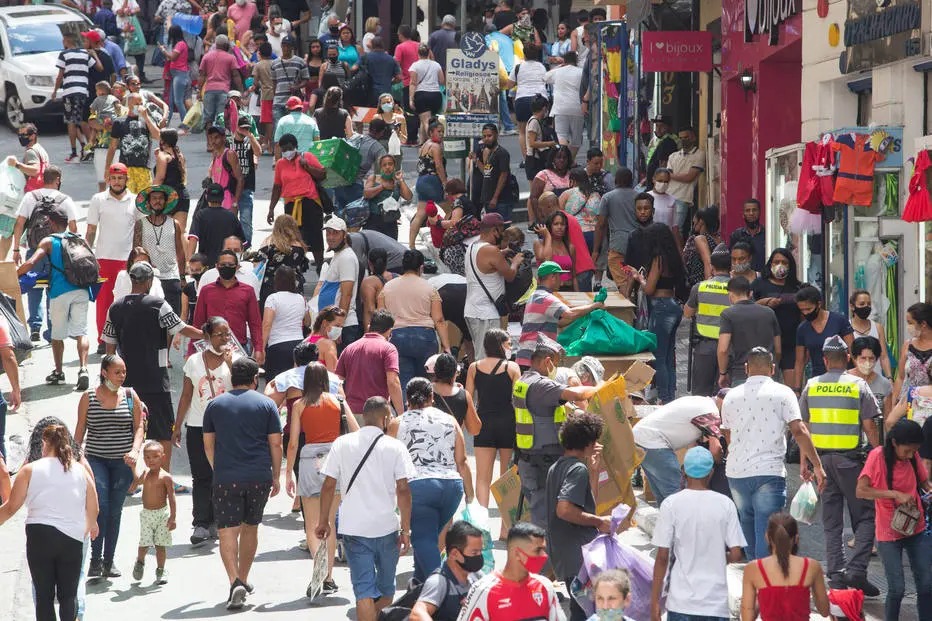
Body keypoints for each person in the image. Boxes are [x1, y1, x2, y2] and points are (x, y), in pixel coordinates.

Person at [316, 396, 415, 621]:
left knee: (365, 593)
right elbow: (404, 490)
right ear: (386, 417)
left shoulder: (343, 443)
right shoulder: (395, 447)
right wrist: (406, 530)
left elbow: (329, 485)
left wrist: (324, 521)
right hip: (387, 528)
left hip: (354, 529)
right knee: (386, 592)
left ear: (364, 416)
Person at [721, 347, 825, 560]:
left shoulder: (731, 396)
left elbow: (728, 435)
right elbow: (799, 430)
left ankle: (753, 576)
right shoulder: (783, 393)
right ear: (773, 369)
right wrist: (816, 464)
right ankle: (763, 582)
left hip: (736, 472)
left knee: (747, 524)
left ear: (747, 368)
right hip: (769, 472)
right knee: (767, 529)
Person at [798, 334, 880, 594]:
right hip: (851, 463)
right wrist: (879, 457)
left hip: (821, 463)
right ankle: (857, 571)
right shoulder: (858, 385)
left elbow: (803, 429)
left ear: (823, 359)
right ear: (847, 358)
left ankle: (836, 573)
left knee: (831, 522)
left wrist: (806, 464)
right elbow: (870, 425)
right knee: (867, 516)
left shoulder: (811, 385)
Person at [103, 261, 204, 471]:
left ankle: (132, 480)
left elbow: (109, 345)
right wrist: (208, 336)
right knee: (163, 430)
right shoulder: (158, 305)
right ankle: (162, 476)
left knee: (130, 428)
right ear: (149, 281)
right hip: (156, 380)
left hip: (127, 381)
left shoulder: (116, 307)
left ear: (132, 280)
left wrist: (108, 379)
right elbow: (180, 328)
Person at [203, 357, 282, 609]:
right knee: (251, 528)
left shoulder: (215, 405)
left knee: (227, 531)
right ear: (254, 379)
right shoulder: (267, 405)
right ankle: (244, 578)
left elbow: (208, 444)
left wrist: (219, 468)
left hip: (226, 477)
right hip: (258, 476)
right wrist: (276, 474)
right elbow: (276, 443)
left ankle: (234, 580)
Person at [0, 424, 98, 621]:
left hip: (40, 536)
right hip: (71, 538)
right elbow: (94, 508)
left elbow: (11, 508)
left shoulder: (29, 470)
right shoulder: (80, 470)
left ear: (45, 442)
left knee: (44, 597)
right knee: (68, 596)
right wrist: (81, 532)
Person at [285, 362, 360, 597]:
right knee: (329, 521)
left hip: (309, 460)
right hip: (335, 460)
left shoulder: (299, 405)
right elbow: (356, 430)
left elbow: (294, 442)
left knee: (311, 523)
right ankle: (328, 577)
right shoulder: (338, 401)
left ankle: (317, 570)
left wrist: (288, 471)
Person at [388, 378, 474, 583]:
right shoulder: (449, 420)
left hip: (418, 487)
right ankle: (420, 584)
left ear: (407, 399)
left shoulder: (398, 423)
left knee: (423, 539)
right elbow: (461, 461)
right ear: (432, 397)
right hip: (451, 488)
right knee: (432, 537)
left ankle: (446, 586)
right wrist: (470, 496)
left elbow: (387, 459)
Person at [513, 336, 602, 528]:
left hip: (530, 459)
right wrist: (602, 387)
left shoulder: (524, 381)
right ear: (547, 361)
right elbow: (578, 394)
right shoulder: (541, 385)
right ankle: (546, 556)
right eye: (556, 362)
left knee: (543, 513)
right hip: (542, 462)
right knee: (545, 522)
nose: (557, 367)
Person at [650, 446, 746, 621]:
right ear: (710, 472)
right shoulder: (726, 504)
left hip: (680, 602)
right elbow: (737, 554)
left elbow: (662, 557)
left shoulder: (671, 504)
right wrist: (719, 557)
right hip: (715, 604)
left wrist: (655, 603)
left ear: (685, 471)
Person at [74, 353, 144, 580]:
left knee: (115, 511)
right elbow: (80, 430)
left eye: (124, 371)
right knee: (101, 506)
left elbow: (139, 427)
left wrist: (135, 450)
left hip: (123, 463)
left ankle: (108, 560)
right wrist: (74, 458)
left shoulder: (131, 396)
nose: (122, 376)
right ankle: (95, 559)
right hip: (96, 460)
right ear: (104, 372)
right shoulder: (88, 397)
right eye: (117, 372)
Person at [856, 419, 931, 619]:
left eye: (914, 450)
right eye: (907, 450)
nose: (909, 455)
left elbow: (924, 483)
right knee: (897, 588)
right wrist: (895, 494)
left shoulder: (913, 456)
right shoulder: (877, 457)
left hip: (917, 526)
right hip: (889, 531)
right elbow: (861, 491)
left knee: (926, 584)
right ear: (895, 443)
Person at [173, 317, 235, 545]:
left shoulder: (236, 359)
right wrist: (177, 425)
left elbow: (245, 387)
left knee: (222, 475)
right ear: (207, 336)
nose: (225, 338)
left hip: (226, 428)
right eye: (220, 334)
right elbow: (187, 395)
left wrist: (230, 364)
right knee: (201, 476)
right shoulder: (193, 361)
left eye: (227, 334)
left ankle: (218, 520)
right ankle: (200, 523)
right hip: (198, 425)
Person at [545, 411, 612, 621]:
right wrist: (599, 521)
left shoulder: (559, 467)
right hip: (577, 556)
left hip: (565, 553)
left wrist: (593, 471)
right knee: (583, 611)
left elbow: (585, 502)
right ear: (589, 442)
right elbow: (564, 509)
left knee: (583, 608)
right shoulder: (576, 470)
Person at [15, 208, 92, 388]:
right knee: (82, 332)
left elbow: (31, 262)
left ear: (51, 223)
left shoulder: (49, 241)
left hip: (59, 292)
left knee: (57, 336)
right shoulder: (78, 239)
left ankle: (59, 373)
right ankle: (84, 369)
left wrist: (13, 275)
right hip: (81, 290)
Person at [11, 166, 78, 341]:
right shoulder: (65, 200)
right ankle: (52, 328)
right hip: (57, 251)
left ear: (43, 178)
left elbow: (19, 223)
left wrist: (16, 248)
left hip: (35, 250)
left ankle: (35, 326)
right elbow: (73, 228)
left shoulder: (30, 197)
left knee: (33, 287)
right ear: (57, 179)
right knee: (53, 289)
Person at [457, 522, 564, 621]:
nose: (544, 556)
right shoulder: (483, 590)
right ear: (517, 553)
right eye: (538, 550)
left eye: (543, 549)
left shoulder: (545, 586)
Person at [631, 394, 724, 507]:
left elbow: (692, 445)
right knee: (677, 494)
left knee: (663, 496)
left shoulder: (699, 401)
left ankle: (667, 521)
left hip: (641, 439)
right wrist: (721, 465)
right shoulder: (711, 413)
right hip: (654, 442)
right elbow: (716, 450)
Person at [86, 163, 139, 353]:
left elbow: (140, 229)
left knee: (127, 300)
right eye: (114, 178)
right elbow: (91, 229)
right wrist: (87, 254)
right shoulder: (98, 199)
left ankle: (126, 337)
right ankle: (103, 340)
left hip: (128, 259)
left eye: (121, 178)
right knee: (104, 301)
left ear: (126, 179)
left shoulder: (135, 200)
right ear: (108, 179)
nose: (117, 182)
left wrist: (140, 256)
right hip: (103, 258)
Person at [376, 249, 448, 390]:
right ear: (421, 267)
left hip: (396, 337)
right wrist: (446, 346)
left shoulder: (388, 287)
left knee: (402, 383)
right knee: (425, 383)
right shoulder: (429, 288)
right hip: (425, 337)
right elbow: (438, 319)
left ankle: (404, 409)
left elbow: (381, 316)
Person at [740, 513, 831, 621]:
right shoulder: (811, 566)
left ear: (767, 537)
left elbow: (747, 617)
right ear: (796, 538)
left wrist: (762, 599)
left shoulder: (753, 568)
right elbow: (824, 611)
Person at [467, 329, 520, 508]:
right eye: (508, 344)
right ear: (499, 345)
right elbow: (518, 399)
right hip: (508, 423)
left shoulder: (474, 367)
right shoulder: (512, 367)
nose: (510, 347)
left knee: (482, 477)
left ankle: (482, 525)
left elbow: (468, 397)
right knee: (506, 478)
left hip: (483, 424)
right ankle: (505, 528)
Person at [515, 261, 602, 368]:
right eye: (559, 276)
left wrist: (584, 314)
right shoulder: (546, 298)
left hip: (528, 357)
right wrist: (594, 306)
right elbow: (570, 314)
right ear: (552, 277)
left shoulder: (535, 295)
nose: (562, 281)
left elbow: (560, 322)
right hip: (534, 358)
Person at [637, 222, 687, 403]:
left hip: (661, 307)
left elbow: (649, 289)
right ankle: (670, 396)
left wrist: (639, 278)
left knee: (658, 355)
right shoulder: (673, 257)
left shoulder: (658, 259)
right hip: (673, 305)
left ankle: (664, 398)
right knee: (669, 355)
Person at [465, 213, 523, 359]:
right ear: (494, 230)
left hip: (473, 310)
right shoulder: (491, 250)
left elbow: (486, 263)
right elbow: (510, 276)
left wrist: (502, 253)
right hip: (486, 314)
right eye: (502, 229)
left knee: (482, 354)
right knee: (488, 358)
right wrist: (515, 262)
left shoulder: (473, 246)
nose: (503, 234)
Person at [267, 133, 327, 270]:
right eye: (283, 150)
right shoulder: (280, 164)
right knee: (292, 238)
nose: (286, 152)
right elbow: (277, 187)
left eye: (288, 148)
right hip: (291, 205)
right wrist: (271, 209)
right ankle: (296, 268)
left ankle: (320, 267)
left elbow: (322, 174)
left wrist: (307, 167)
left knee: (315, 236)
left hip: (310, 203)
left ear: (295, 146)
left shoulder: (307, 157)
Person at [193, 250, 264, 364]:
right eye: (223, 265)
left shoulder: (248, 291)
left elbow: (255, 323)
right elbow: (198, 322)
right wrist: (192, 351)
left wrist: (259, 348)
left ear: (236, 267)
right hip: (211, 348)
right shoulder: (206, 291)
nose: (227, 267)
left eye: (230, 265)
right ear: (217, 267)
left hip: (240, 348)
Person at [409, 520, 485, 621]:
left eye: (481, 551)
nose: (479, 557)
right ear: (454, 553)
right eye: (474, 553)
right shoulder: (438, 582)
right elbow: (417, 613)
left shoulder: (476, 576)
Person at [682, 245, 732, 397]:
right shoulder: (737, 288)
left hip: (704, 347)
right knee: (724, 394)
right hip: (730, 347)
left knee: (701, 395)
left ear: (712, 267)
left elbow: (687, 313)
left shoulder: (700, 287)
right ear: (730, 266)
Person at [336, 309, 404, 416]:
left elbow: (337, 381)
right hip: (378, 414)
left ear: (369, 326)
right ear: (390, 331)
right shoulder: (388, 349)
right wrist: (401, 414)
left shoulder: (349, 348)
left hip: (352, 414)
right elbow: (393, 382)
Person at [751, 248, 802, 389]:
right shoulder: (759, 284)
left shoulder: (797, 287)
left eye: (784, 262)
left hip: (791, 343)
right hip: (766, 342)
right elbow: (748, 306)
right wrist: (765, 302)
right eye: (776, 262)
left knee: (792, 388)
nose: (780, 265)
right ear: (770, 264)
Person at [717, 276, 780, 388]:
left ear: (730, 295)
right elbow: (778, 349)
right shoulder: (769, 313)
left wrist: (723, 373)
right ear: (750, 293)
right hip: (768, 373)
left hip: (741, 373)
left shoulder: (728, 314)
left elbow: (723, 349)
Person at [133, 185, 185, 316]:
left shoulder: (174, 224)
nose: (158, 201)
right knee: (150, 318)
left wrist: (182, 276)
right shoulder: (141, 224)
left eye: (161, 198)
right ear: (149, 202)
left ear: (166, 201)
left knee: (173, 317)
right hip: (149, 277)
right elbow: (136, 251)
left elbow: (180, 251)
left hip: (171, 276)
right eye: (154, 198)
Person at [129, 441, 176, 584]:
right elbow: (136, 482)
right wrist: (132, 467)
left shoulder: (166, 477)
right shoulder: (146, 473)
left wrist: (173, 517)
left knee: (160, 545)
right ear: (144, 460)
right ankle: (140, 562)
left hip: (162, 515)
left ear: (163, 457)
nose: (151, 460)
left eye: (155, 456)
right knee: (144, 543)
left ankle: (161, 570)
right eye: (147, 458)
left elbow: (172, 498)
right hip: (147, 515)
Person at [792, 286, 854, 392]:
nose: (806, 313)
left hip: (842, 379)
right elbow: (800, 361)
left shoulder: (839, 321)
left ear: (819, 304)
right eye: (802, 310)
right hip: (818, 380)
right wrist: (797, 389)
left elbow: (853, 351)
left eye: (809, 309)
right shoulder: (803, 329)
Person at [52, 32, 101, 163]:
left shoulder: (64, 54)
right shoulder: (85, 54)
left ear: (67, 40)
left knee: (71, 122)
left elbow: (60, 76)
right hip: (83, 92)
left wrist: (55, 91)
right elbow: (98, 67)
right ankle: (87, 147)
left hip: (69, 92)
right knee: (79, 119)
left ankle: (75, 152)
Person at [315, 217, 361, 345]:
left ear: (344, 235)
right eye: (328, 233)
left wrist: (337, 328)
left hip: (343, 327)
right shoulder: (339, 255)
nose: (330, 237)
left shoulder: (346, 258)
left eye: (335, 233)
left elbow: (346, 294)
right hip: (333, 325)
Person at [591, 169, 639, 289]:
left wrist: (596, 250)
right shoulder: (639, 196)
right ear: (631, 180)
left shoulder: (608, 197)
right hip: (638, 242)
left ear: (616, 180)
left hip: (618, 245)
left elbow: (601, 225)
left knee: (622, 281)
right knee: (634, 277)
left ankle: (627, 303)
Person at [107, 93, 161, 193]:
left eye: (141, 103)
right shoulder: (119, 122)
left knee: (144, 201)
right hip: (126, 168)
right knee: (126, 198)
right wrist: (107, 169)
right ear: (129, 104)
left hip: (144, 168)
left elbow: (158, 136)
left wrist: (146, 117)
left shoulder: (147, 121)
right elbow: (112, 147)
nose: (139, 106)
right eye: (136, 103)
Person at [261, 266, 308, 380]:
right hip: (298, 343)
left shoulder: (272, 298)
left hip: (278, 346)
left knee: (276, 383)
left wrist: (261, 347)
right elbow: (307, 321)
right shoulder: (301, 298)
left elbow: (267, 324)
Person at [256, 214, 309, 310]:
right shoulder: (299, 246)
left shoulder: (268, 243)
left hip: (271, 285)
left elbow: (258, 264)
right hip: (293, 285)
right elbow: (303, 266)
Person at [411, 120, 447, 249]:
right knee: (448, 210)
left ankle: (411, 245)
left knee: (420, 214)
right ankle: (448, 239)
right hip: (432, 181)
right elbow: (438, 166)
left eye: (442, 131)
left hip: (421, 180)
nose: (441, 134)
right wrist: (444, 183)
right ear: (431, 132)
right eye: (439, 132)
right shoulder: (436, 147)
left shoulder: (425, 145)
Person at [543, 51, 584, 160]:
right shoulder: (581, 72)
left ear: (564, 61)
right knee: (576, 141)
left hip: (560, 108)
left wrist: (559, 66)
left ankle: (563, 161)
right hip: (577, 108)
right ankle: (570, 161)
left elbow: (545, 77)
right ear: (576, 61)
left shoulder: (558, 71)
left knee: (561, 137)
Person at [199, 35, 244, 132]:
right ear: (226, 45)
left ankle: (210, 142)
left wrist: (199, 91)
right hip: (224, 90)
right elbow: (236, 75)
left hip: (209, 90)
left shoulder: (207, 56)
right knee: (222, 118)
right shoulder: (230, 58)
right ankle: (220, 143)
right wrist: (240, 91)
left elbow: (202, 75)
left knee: (208, 119)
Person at [363, 153, 412, 240]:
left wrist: (401, 180)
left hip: (390, 223)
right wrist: (382, 187)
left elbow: (408, 197)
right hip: (373, 222)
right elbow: (366, 194)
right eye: (384, 165)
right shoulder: (373, 178)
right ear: (380, 167)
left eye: (390, 164)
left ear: (394, 166)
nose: (387, 167)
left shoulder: (397, 182)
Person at [850, 336, 894, 431]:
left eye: (871, 358)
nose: (867, 362)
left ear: (877, 359)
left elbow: (888, 418)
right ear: (855, 358)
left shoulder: (884, 385)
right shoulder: (844, 380)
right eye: (863, 358)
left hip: (875, 439)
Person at [472, 124, 513, 221]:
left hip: (501, 199)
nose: (486, 139)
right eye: (484, 136)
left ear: (496, 135)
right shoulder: (488, 153)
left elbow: (503, 175)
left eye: (489, 136)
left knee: (502, 227)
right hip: (488, 198)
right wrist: (477, 161)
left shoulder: (502, 153)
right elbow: (486, 172)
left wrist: (495, 197)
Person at [152, 129, 190, 231]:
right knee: (181, 232)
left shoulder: (163, 156)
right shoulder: (179, 155)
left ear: (163, 140)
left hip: (167, 197)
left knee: (165, 233)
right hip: (182, 195)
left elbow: (160, 178)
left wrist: (149, 194)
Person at [849, 289, 893, 378]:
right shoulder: (846, 328)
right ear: (852, 306)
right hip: (854, 381)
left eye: (869, 304)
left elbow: (884, 356)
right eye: (862, 304)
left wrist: (889, 378)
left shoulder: (878, 327)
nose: (866, 307)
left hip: (876, 379)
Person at [666, 127, 705, 227]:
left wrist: (672, 175)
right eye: (681, 138)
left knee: (677, 229)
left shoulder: (699, 155)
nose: (683, 140)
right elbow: (666, 176)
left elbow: (689, 177)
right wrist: (678, 176)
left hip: (683, 197)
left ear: (693, 138)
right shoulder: (673, 156)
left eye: (686, 137)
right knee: (666, 228)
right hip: (668, 196)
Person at [893, 302, 932, 399]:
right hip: (906, 404)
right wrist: (894, 402)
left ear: (923, 324)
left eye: (910, 323)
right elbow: (900, 377)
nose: (908, 327)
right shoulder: (908, 345)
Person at [409, 44, 445, 144]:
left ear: (418, 53)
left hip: (422, 95)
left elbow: (413, 83)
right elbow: (442, 81)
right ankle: (422, 142)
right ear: (429, 52)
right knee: (427, 119)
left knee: (425, 121)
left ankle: (432, 143)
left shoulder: (415, 65)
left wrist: (411, 99)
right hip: (436, 95)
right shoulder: (436, 65)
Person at [270, 36, 310, 126]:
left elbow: (306, 79)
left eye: (288, 46)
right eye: (284, 46)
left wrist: (297, 87)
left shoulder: (300, 62)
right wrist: (274, 97)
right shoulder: (274, 63)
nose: (286, 48)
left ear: (292, 47)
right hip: (278, 102)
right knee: (278, 127)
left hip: (294, 102)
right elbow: (274, 82)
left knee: (293, 127)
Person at [159, 25, 191, 129]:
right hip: (178, 74)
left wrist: (163, 51)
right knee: (172, 100)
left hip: (179, 74)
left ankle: (185, 123)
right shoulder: (181, 44)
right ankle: (168, 121)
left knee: (178, 101)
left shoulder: (180, 44)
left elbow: (173, 58)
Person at [206, 125, 244, 214]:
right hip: (215, 200)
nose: (213, 141)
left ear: (223, 138)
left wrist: (235, 203)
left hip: (227, 201)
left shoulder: (229, 154)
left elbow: (240, 179)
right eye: (211, 138)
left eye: (216, 138)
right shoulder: (215, 154)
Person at [682, 205, 722, 288]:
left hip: (702, 284)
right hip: (719, 282)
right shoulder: (719, 240)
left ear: (701, 221)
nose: (693, 226)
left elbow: (708, 263)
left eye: (694, 222)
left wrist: (709, 287)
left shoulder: (700, 239)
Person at [394, 25, 421, 145]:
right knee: (421, 111)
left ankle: (410, 138)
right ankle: (417, 136)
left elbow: (396, 63)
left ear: (401, 35)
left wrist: (397, 76)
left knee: (410, 112)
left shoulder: (400, 47)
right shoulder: (420, 46)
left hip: (408, 83)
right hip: (422, 83)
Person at [729, 199, 766, 272]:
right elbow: (731, 259)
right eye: (748, 210)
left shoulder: (767, 235)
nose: (751, 213)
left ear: (759, 212)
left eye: (754, 210)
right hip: (741, 278)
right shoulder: (736, 235)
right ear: (743, 214)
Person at [525, 97, 557, 181]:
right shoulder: (534, 122)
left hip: (537, 158)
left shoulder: (537, 121)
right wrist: (550, 143)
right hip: (533, 160)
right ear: (544, 108)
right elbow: (532, 143)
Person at [305, 305, 345, 372]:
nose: (339, 329)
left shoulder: (305, 342)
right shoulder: (328, 344)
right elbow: (333, 374)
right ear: (325, 323)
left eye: (341, 327)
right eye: (337, 326)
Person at [644, 115, 679, 186]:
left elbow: (663, 165)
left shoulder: (670, 141)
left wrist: (659, 181)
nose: (658, 129)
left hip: (660, 182)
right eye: (657, 126)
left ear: (669, 128)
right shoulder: (654, 140)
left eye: (662, 126)